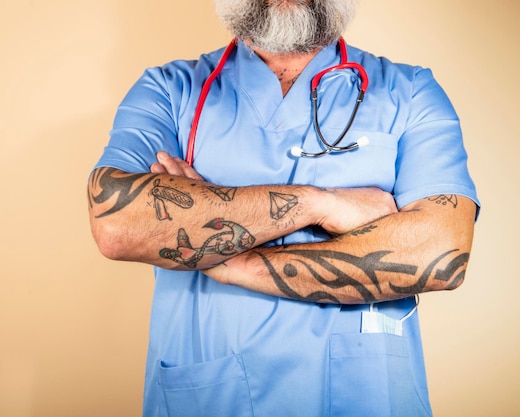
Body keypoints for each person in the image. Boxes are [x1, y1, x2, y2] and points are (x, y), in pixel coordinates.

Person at [87, 0, 479, 415]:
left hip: (364, 395)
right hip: (212, 397)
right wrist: (320, 204)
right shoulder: (169, 90)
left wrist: (229, 261)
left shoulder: (410, 91)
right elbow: (118, 225)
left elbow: (441, 254)